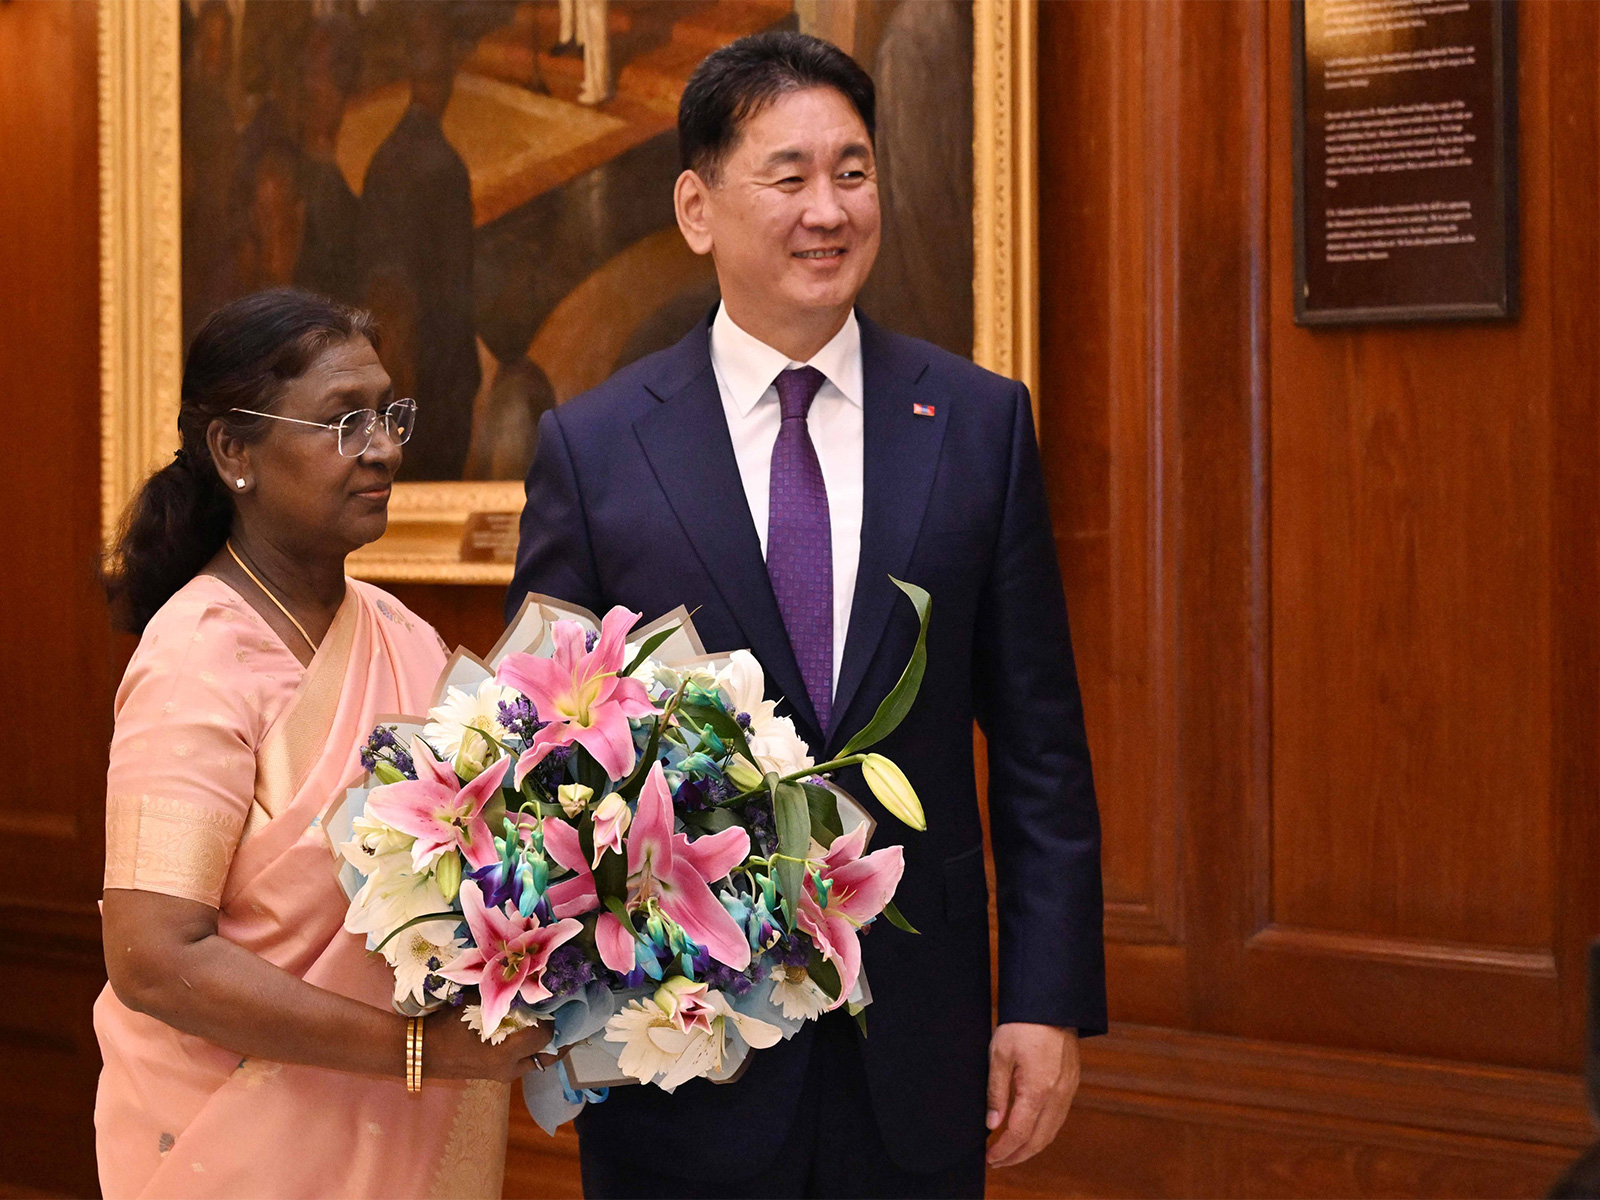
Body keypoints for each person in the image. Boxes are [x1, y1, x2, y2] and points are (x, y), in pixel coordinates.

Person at [506, 31, 1106, 1200]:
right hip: (678, 1053)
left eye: (853, 171)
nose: (828, 209)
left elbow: (1041, 746)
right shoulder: (596, 446)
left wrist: (1044, 1003)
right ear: (697, 206)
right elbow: (548, 764)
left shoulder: (976, 424)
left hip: (919, 1049)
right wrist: (562, 1010)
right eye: (788, 176)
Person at [95, 289, 551, 1199]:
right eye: (343, 421)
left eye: (387, 414)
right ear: (235, 451)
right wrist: (419, 1050)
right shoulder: (197, 656)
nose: (382, 446)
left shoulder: (402, 634)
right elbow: (153, 955)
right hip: (236, 1139)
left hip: (404, 1138)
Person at [358, 10, 480, 482]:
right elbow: (393, 291)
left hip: (429, 375)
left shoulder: (399, 159)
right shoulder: (429, 166)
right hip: (428, 381)